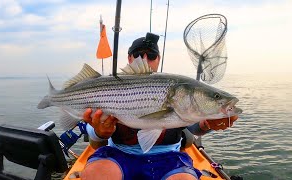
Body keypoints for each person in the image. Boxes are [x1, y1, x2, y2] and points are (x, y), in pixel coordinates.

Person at [80, 33, 239, 180]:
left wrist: (207, 125)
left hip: (169, 157)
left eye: (151, 55)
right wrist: (100, 133)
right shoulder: (110, 86)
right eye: (137, 54)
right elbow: (95, 143)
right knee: (94, 174)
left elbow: (194, 128)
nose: (144, 58)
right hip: (119, 154)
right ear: (129, 58)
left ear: (158, 58)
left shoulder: (175, 88)